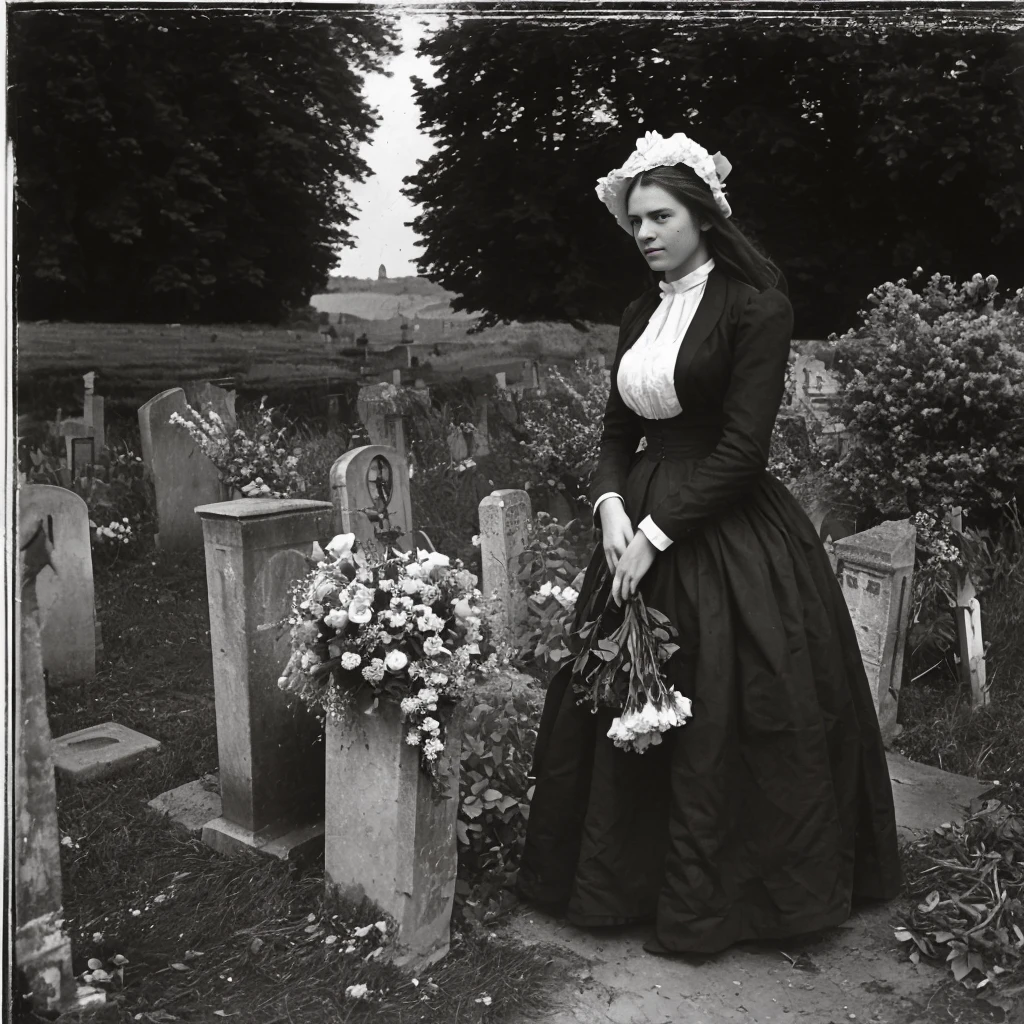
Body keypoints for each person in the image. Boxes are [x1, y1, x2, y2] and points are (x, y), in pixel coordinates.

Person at [518, 131, 901, 956]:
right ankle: (625, 882)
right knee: (626, 693)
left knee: (734, 699)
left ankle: (731, 895)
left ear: (702, 215)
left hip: (727, 528)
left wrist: (656, 534)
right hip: (639, 513)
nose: (645, 233)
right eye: (635, 221)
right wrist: (611, 507)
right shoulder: (639, 313)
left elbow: (742, 449)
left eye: (660, 216)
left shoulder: (756, 307)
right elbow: (617, 429)